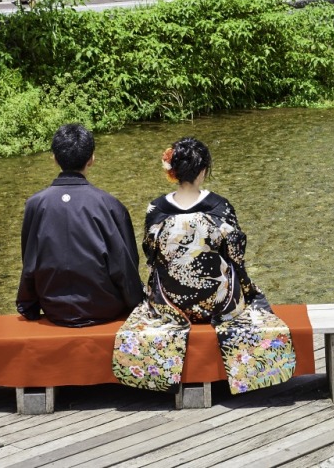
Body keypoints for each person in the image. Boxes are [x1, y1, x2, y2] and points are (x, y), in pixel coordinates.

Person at [112, 137, 296, 394]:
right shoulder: (219, 206)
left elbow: (150, 255)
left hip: (170, 302)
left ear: (173, 170)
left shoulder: (157, 208)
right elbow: (237, 254)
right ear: (203, 171)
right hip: (218, 303)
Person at [16, 124, 143, 327]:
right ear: (91, 159)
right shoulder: (110, 205)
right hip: (104, 308)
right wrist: (136, 303)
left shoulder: (35, 204)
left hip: (53, 307)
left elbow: (30, 260)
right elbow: (125, 265)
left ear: (55, 158)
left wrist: (28, 305)